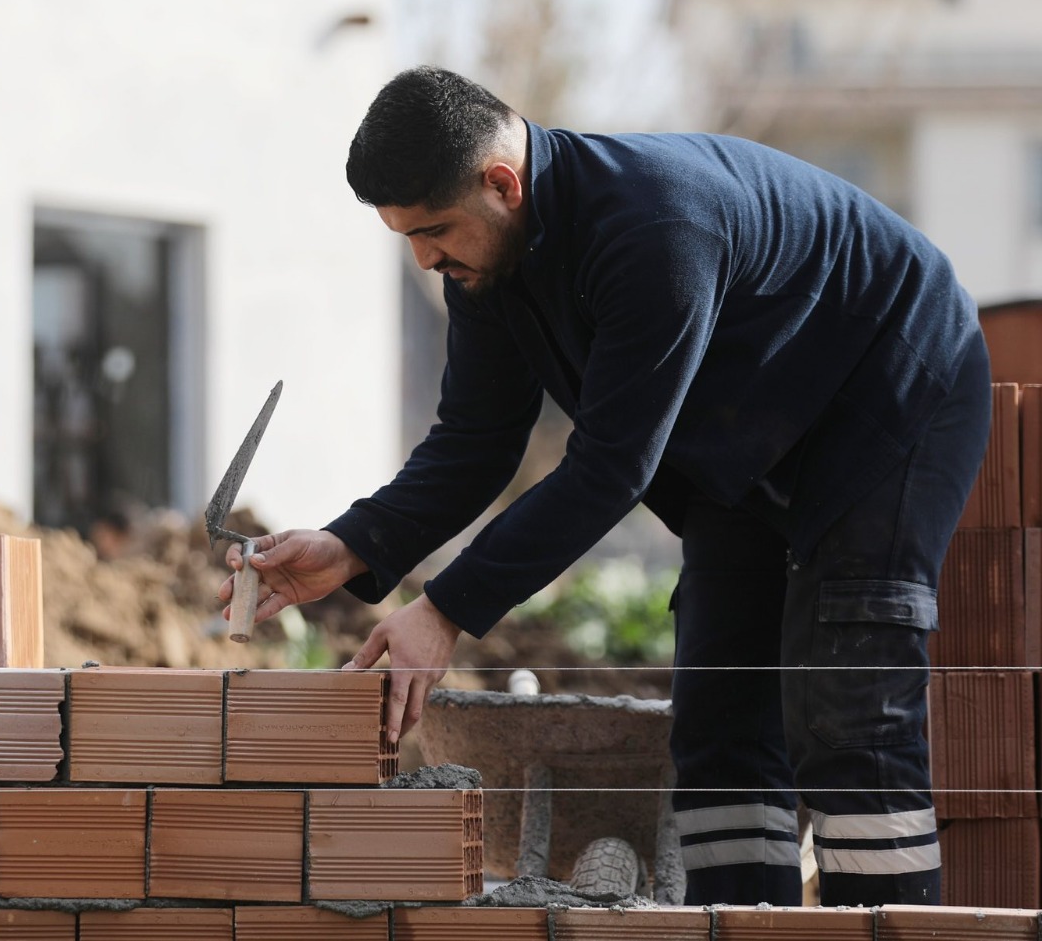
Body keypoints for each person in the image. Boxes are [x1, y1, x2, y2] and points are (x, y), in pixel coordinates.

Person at [220, 66, 990, 907]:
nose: (425, 258)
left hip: (890, 393)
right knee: (720, 725)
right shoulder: (483, 263)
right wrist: (349, 545)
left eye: (433, 230)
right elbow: (476, 442)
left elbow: (611, 468)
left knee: (847, 711)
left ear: (502, 183)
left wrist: (443, 612)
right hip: (745, 439)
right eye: (405, 237)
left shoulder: (656, 224)